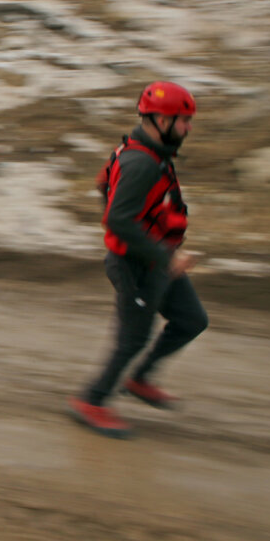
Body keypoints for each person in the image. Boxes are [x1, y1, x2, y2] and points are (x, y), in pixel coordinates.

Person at [69, 81, 208, 438]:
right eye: (184, 120)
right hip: (137, 266)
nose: (188, 128)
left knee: (191, 320)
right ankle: (93, 401)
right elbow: (117, 218)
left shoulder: (145, 152)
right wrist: (161, 253)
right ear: (161, 118)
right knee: (133, 337)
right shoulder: (141, 162)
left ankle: (139, 379)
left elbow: (103, 183)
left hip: (155, 259)